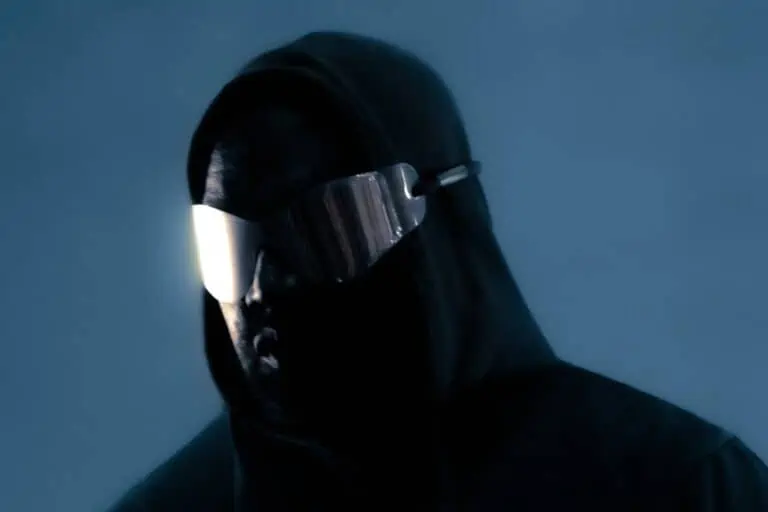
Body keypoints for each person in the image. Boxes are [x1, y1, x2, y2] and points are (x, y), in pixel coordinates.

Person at [110, 31, 768, 511]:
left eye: (334, 225)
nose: (265, 287)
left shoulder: (676, 488)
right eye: (227, 243)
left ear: (447, 221)